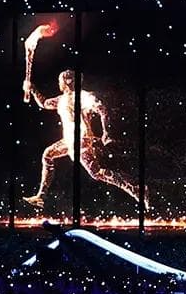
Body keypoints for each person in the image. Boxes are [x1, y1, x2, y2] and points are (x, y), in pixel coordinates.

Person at [23, 70, 146, 211]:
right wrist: (32, 89)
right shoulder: (62, 99)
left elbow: (102, 109)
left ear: (68, 81)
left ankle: (135, 188)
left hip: (82, 139)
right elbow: (44, 103)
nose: (59, 83)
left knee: (96, 173)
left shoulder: (84, 96)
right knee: (48, 155)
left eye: (61, 80)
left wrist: (106, 133)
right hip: (69, 140)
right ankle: (41, 196)